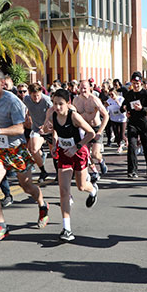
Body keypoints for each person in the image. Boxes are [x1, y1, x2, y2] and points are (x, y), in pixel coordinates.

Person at [0, 69, 49, 242]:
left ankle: (42, 204)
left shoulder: (12, 101)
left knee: (27, 187)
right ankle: (2, 225)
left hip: (16, 149)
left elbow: (20, 128)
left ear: (2, 84)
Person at [42, 89, 98, 242]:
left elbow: (91, 133)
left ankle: (92, 189)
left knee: (81, 186)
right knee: (64, 190)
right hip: (64, 154)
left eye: (60, 104)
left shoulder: (74, 116)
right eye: (55, 104)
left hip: (78, 152)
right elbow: (54, 131)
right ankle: (67, 229)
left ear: (68, 103)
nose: (57, 107)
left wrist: (76, 147)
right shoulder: (53, 115)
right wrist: (54, 144)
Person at [73, 79, 110, 182]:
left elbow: (106, 115)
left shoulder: (94, 100)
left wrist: (99, 132)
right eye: (81, 88)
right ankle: (94, 171)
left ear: (90, 88)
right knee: (85, 154)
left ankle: (101, 160)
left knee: (95, 153)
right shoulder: (76, 100)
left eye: (85, 88)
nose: (82, 90)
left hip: (96, 127)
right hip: (85, 129)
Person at [123, 71, 147, 178]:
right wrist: (125, 110)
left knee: (146, 146)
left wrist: (142, 109)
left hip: (144, 123)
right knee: (131, 146)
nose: (136, 85)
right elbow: (124, 106)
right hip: (132, 123)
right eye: (134, 83)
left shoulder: (146, 94)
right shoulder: (129, 94)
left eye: (138, 83)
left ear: (141, 83)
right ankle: (132, 170)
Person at [23, 82, 53, 182]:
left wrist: (46, 125)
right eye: (34, 96)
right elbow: (28, 108)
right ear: (29, 94)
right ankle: (43, 171)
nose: (36, 98)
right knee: (34, 149)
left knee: (54, 152)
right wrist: (27, 116)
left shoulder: (46, 100)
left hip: (49, 128)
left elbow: (54, 114)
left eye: (38, 95)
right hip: (36, 128)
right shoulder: (26, 99)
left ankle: (59, 172)